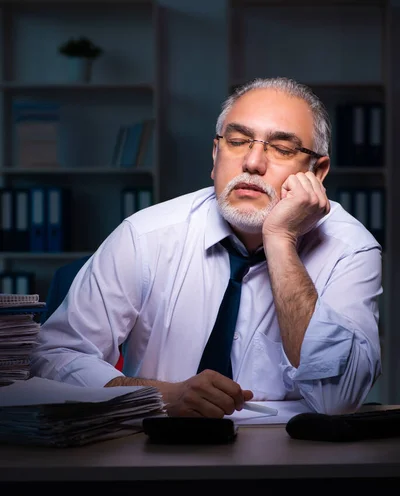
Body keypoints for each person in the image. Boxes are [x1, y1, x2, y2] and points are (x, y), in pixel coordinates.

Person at [31, 77, 382, 417]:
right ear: (215, 155)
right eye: (238, 140)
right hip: (158, 452)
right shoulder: (146, 235)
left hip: (292, 460)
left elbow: (337, 398)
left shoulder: (350, 249)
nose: (253, 163)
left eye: (282, 148)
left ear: (317, 172)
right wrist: (161, 396)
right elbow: (55, 356)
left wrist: (281, 241)